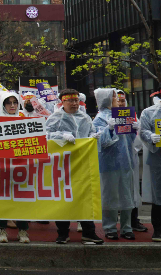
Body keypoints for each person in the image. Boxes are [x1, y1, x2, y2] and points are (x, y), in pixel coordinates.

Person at [45, 89, 105, 244]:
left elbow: (91, 132)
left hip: (82, 164)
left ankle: (89, 232)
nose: (74, 103)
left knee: (84, 198)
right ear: (62, 102)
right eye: (70, 100)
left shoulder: (85, 117)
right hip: (62, 165)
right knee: (63, 198)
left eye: (76, 100)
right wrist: (61, 136)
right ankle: (63, 233)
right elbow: (45, 135)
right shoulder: (55, 118)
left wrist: (94, 136)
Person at [92, 88, 136, 240]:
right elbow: (101, 143)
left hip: (126, 162)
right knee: (109, 196)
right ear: (106, 99)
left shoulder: (124, 115)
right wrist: (108, 129)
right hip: (109, 164)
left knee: (127, 195)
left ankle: (127, 227)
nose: (117, 99)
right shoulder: (99, 119)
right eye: (114, 97)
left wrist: (134, 130)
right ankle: (110, 227)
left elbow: (129, 141)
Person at [0, 91, 30, 243]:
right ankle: (1, 230)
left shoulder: (25, 118)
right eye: (9, 103)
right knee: (2, 198)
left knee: (22, 198)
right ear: (3, 104)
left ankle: (23, 231)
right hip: (3, 166)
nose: (13, 105)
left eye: (15, 102)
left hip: (22, 165)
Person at [139, 81, 161, 242]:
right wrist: (150, 136)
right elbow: (143, 130)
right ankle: (158, 229)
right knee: (159, 195)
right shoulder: (149, 112)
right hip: (159, 157)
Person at [114, 90, 149, 233]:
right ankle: (112, 225)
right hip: (113, 163)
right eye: (118, 100)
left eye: (123, 100)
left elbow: (140, 139)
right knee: (114, 192)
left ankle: (133, 220)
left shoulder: (133, 117)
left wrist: (137, 132)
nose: (121, 103)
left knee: (133, 190)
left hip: (131, 160)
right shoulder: (105, 117)